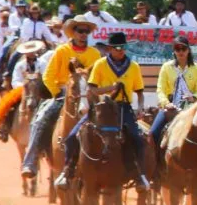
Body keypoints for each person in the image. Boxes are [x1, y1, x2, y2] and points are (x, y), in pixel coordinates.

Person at [54, 32, 150, 191]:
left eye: (123, 47)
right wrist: (111, 88)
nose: (121, 50)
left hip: (123, 107)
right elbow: (92, 90)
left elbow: (139, 92)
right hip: (101, 107)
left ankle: (140, 175)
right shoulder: (100, 64)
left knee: (137, 138)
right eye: (117, 47)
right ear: (110, 49)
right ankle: (67, 171)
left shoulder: (134, 66)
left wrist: (140, 107)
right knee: (72, 136)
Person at [21, 15, 102, 179]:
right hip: (63, 93)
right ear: (73, 33)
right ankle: (31, 161)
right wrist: (57, 93)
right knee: (40, 119)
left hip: (88, 95)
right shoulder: (62, 51)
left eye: (86, 31)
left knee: (110, 121)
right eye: (80, 31)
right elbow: (48, 76)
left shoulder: (95, 54)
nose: (83, 34)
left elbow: (100, 77)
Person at [149, 36, 197, 146]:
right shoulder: (166, 67)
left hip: (190, 107)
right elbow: (160, 89)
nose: (180, 52)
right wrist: (166, 103)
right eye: (177, 49)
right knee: (153, 132)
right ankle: (155, 161)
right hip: (170, 107)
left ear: (188, 50)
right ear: (174, 51)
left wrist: (193, 97)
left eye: (183, 49)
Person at [0, 40, 47, 142]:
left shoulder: (42, 63)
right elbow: (15, 80)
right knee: (7, 103)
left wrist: (39, 86)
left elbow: (46, 77)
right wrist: (24, 87)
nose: (30, 53)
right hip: (23, 88)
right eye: (28, 51)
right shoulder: (20, 65)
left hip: (39, 89)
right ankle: (2, 127)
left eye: (32, 51)